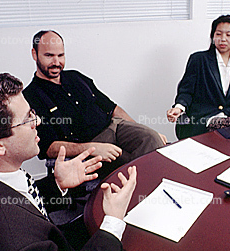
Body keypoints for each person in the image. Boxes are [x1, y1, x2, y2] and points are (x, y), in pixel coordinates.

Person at [0, 72, 137, 251]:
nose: (38, 121)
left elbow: (17, 202)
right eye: (27, 119)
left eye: (32, 112)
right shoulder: (21, 247)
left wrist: (56, 184)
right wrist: (113, 221)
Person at [23, 30, 165, 177]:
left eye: (60, 55)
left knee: (153, 140)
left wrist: (141, 129)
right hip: (90, 145)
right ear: (34, 54)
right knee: (132, 164)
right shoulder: (31, 96)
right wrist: (92, 148)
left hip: (115, 125)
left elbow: (112, 108)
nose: (56, 62)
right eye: (49, 56)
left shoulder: (76, 77)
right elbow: (48, 147)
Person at [166, 14, 230, 139]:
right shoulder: (198, 60)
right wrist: (179, 108)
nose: (223, 39)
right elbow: (186, 91)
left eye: (228, 34)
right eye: (218, 34)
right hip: (203, 119)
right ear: (213, 37)